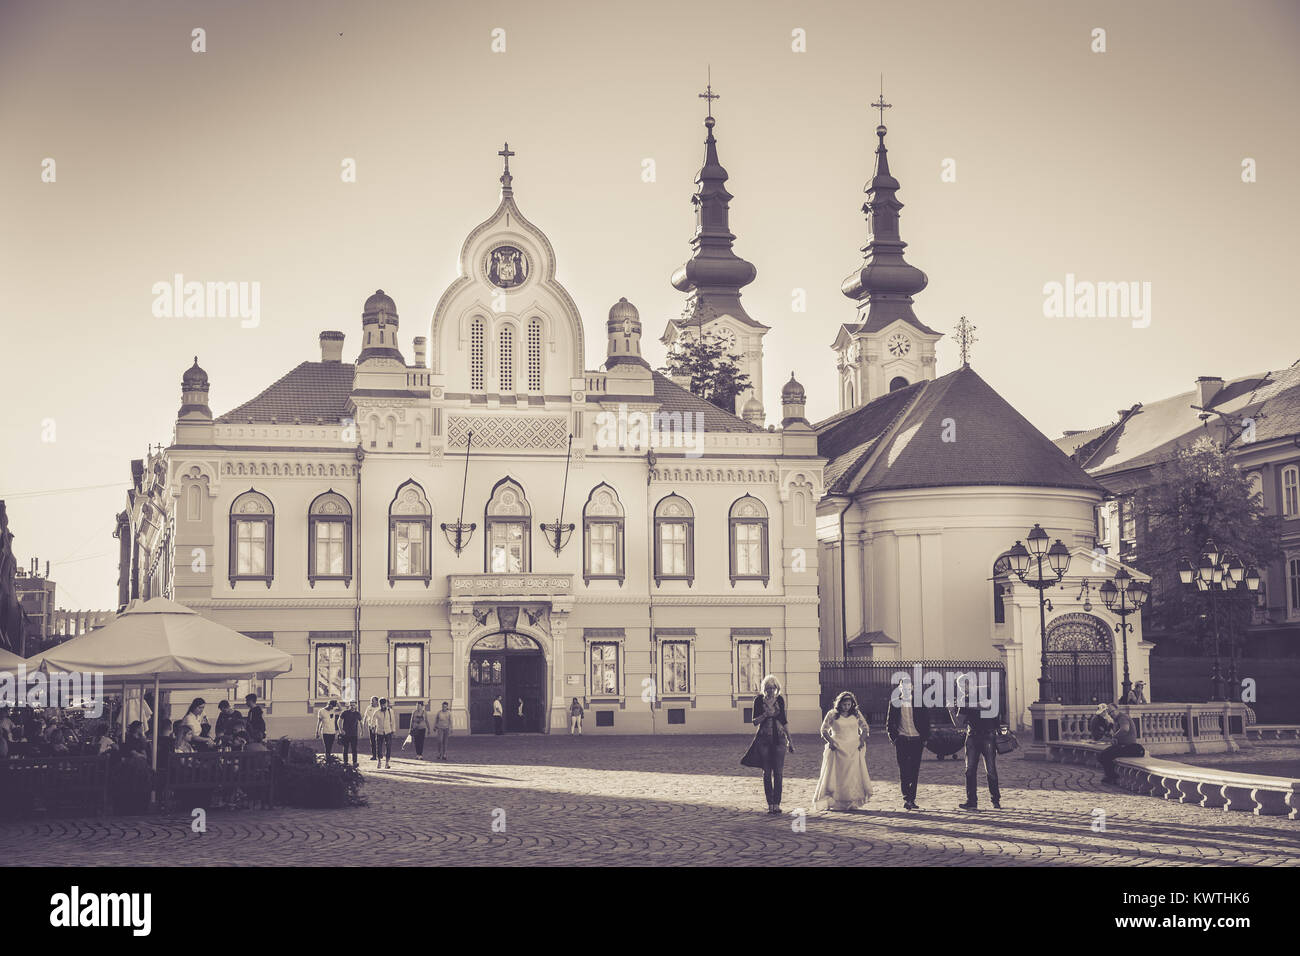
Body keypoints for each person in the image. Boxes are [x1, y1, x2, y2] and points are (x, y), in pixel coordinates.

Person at [741, 674, 795, 815]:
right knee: (766, 773)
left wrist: (790, 741)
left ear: (777, 688)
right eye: (768, 687)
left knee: (778, 773)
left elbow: (784, 721)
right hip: (764, 740)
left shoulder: (780, 700)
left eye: (773, 687)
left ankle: (777, 804)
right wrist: (766, 714)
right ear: (764, 688)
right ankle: (770, 804)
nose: (771, 690)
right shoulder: (759, 700)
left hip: (779, 740)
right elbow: (754, 722)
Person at [812, 690, 873, 812]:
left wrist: (861, 740)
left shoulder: (856, 714)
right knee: (838, 775)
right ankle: (837, 801)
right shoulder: (832, 714)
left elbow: (865, 727)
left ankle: (851, 800)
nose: (846, 707)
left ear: (852, 704)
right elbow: (824, 730)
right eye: (844, 704)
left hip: (853, 748)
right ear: (839, 704)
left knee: (852, 775)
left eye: (849, 705)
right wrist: (831, 742)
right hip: (838, 748)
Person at [955, 679, 1002, 811]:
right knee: (969, 770)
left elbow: (989, 706)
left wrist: (967, 705)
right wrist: (951, 710)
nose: (962, 689)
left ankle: (995, 800)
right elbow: (959, 723)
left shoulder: (985, 691)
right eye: (960, 687)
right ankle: (971, 801)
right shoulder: (964, 699)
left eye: (964, 685)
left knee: (991, 770)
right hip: (972, 737)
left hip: (988, 735)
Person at [886, 675, 931, 810]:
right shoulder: (894, 702)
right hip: (902, 740)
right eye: (902, 686)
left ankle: (912, 798)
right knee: (904, 771)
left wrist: (925, 738)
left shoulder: (919, 701)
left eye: (908, 686)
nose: (905, 688)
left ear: (912, 687)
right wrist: (894, 738)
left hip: (917, 740)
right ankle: (907, 798)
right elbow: (889, 723)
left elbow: (926, 721)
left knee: (914, 770)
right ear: (899, 688)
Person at [1098, 703, 1145, 784]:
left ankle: (1111, 776)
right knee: (1103, 755)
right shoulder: (1116, 720)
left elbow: (1125, 729)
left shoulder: (1122, 717)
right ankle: (1111, 775)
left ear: (1117, 709)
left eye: (1112, 712)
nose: (1111, 714)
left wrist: (1114, 737)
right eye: (1109, 713)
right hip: (1123, 746)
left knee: (1104, 755)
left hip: (1129, 747)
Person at [337, 701, 362, 767]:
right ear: (348, 706)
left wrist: (361, 731)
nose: (352, 707)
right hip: (346, 734)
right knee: (345, 748)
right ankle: (345, 762)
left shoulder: (357, 713)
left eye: (353, 705)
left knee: (354, 749)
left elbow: (361, 722)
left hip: (354, 734)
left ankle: (355, 762)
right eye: (351, 705)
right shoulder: (345, 713)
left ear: (355, 706)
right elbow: (339, 721)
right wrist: (341, 730)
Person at [374, 698, 395, 768]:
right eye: (382, 705)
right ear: (379, 705)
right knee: (379, 747)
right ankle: (379, 761)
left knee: (388, 747)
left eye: (384, 704)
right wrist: (373, 727)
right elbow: (373, 721)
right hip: (379, 732)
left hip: (388, 731)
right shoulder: (377, 712)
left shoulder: (390, 711)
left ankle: (387, 763)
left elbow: (393, 721)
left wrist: (393, 730)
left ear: (386, 704)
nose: (383, 706)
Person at [363, 695, 381, 761]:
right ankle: (374, 755)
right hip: (371, 726)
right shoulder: (368, 708)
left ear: (376, 701)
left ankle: (379, 753)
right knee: (372, 741)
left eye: (372, 700)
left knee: (379, 740)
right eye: (371, 700)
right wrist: (363, 725)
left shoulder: (380, 708)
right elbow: (365, 717)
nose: (371, 702)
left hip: (378, 726)